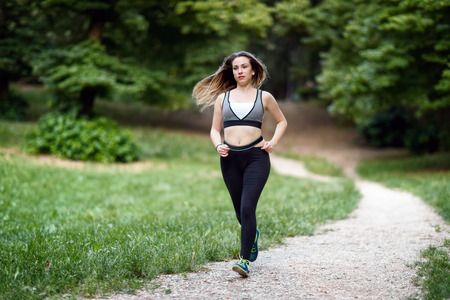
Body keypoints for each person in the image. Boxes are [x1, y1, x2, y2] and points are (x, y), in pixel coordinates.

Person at [193, 51, 287, 277]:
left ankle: (244, 260)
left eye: (244, 67)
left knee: (247, 208)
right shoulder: (222, 99)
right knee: (240, 211)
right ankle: (252, 234)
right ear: (232, 72)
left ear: (253, 69)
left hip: (256, 158)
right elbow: (215, 130)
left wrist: (272, 142)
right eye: (236, 68)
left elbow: (282, 121)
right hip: (229, 160)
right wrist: (218, 146)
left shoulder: (264, 97)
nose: (240, 71)